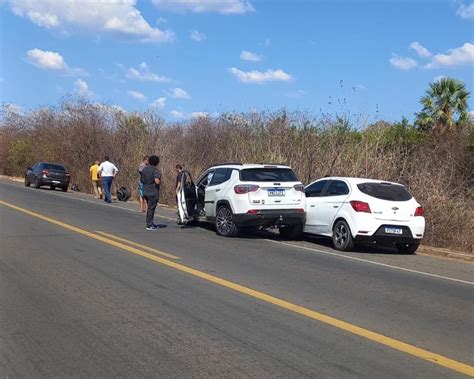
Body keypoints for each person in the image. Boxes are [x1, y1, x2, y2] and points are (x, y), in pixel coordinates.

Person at [141, 155, 161, 230]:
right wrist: (160, 182)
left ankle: (150, 223)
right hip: (153, 191)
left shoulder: (144, 169)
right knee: (151, 208)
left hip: (145, 190)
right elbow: (157, 181)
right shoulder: (156, 170)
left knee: (149, 208)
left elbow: (142, 180)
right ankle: (149, 225)